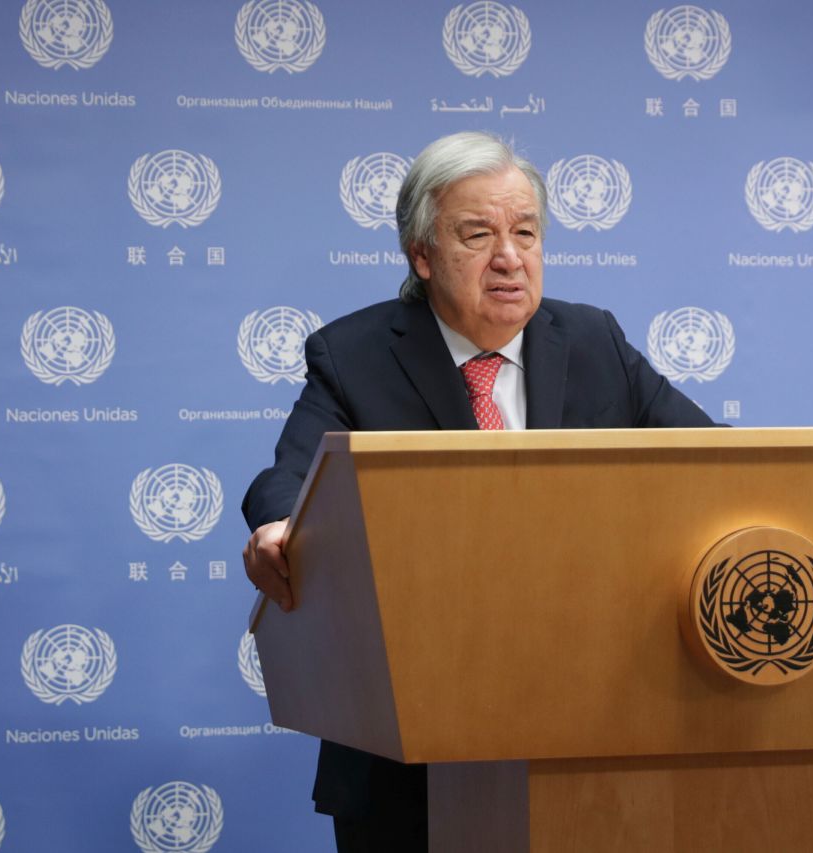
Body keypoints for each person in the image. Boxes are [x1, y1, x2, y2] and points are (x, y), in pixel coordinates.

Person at [242, 130, 715, 851]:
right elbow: (291, 477)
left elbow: (713, 460)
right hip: (410, 749)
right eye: (478, 234)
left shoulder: (594, 343)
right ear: (422, 254)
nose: (509, 256)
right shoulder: (356, 354)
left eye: (525, 232)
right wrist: (280, 527)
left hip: (595, 727)